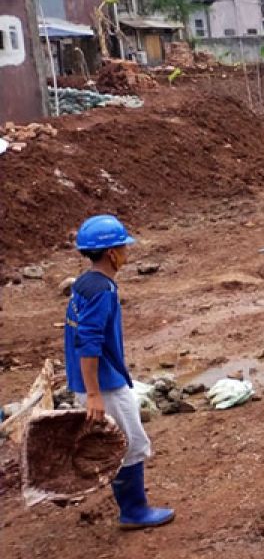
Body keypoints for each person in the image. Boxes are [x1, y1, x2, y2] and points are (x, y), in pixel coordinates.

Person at [66, 214, 174, 530]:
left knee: (123, 442)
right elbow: (89, 343)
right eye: (123, 247)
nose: (127, 252)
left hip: (95, 381)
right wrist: (95, 394)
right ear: (112, 253)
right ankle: (133, 511)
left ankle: (132, 506)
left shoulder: (85, 283)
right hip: (105, 383)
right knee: (130, 444)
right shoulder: (103, 291)